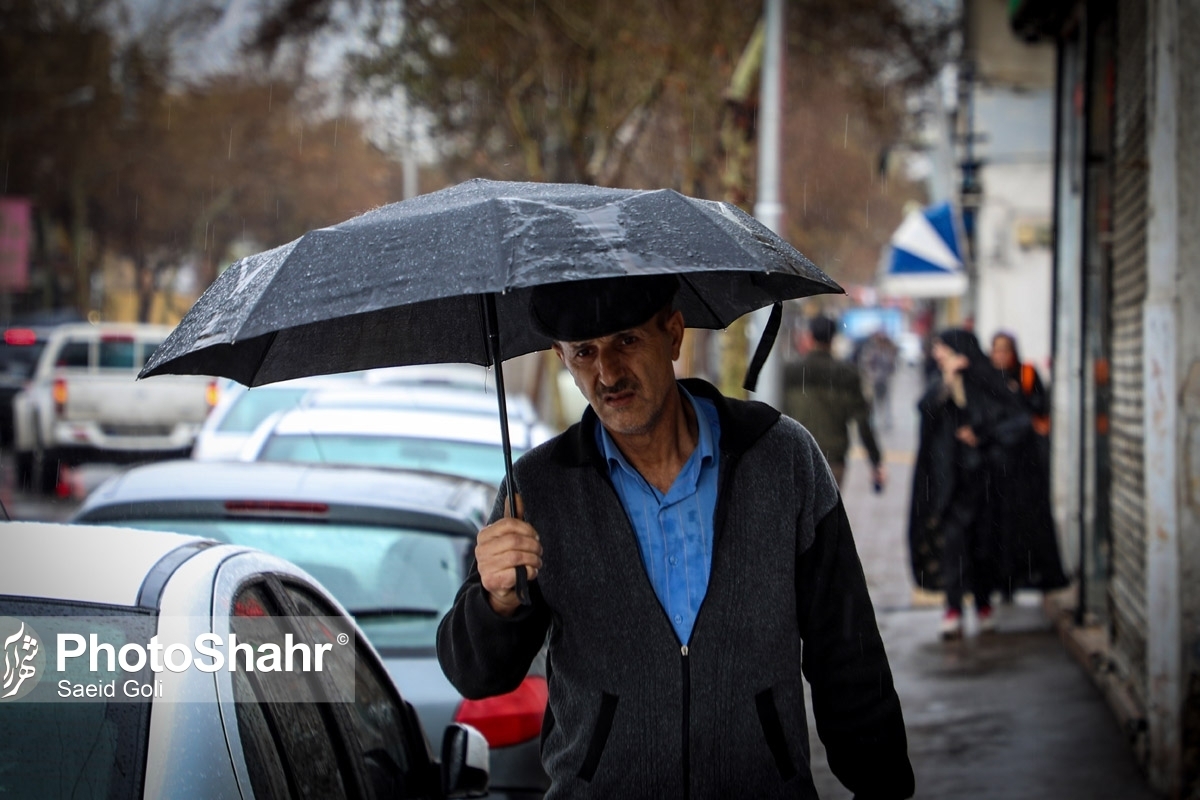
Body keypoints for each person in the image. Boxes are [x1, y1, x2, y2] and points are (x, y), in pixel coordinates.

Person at [437, 275, 914, 799]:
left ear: (673, 333)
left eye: (627, 341)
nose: (608, 372)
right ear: (561, 357)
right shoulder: (538, 490)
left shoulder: (781, 460)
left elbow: (846, 653)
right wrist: (496, 602)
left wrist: (882, 784)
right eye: (584, 352)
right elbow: (477, 676)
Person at [907, 328, 1028, 640]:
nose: (937, 355)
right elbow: (926, 411)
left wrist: (981, 434)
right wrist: (948, 382)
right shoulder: (940, 383)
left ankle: (983, 604)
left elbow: (1012, 419)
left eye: (943, 349)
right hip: (950, 483)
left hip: (986, 481)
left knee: (984, 544)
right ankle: (953, 608)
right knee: (953, 545)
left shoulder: (986, 379)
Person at [988, 331, 1068, 599]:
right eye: (996, 350)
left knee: (1031, 519)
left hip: (1027, 461)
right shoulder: (987, 378)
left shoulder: (1027, 374)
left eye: (1005, 350)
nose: (1000, 355)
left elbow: (1039, 408)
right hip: (999, 464)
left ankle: (1033, 573)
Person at [782, 315, 886, 491]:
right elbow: (863, 422)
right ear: (833, 339)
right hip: (833, 460)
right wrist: (876, 463)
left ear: (810, 337)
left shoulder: (790, 372)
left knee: (798, 515)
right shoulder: (848, 374)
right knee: (827, 515)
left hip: (796, 456)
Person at [858, 330, 899, 431]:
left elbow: (892, 367)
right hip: (874, 381)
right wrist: (870, 376)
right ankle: (873, 422)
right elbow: (866, 365)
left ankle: (886, 421)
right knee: (874, 402)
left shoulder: (887, 352)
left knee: (885, 402)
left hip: (884, 380)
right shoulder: (872, 351)